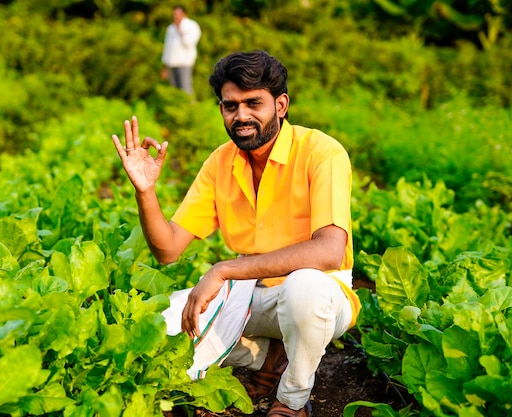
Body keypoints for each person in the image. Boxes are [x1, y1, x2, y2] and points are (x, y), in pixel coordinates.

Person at [112, 51, 361, 417]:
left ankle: (292, 399)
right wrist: (145, 191)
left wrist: (224, 270)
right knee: (160, 325)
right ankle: (267, 358)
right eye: (230, 105)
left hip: (319, 295)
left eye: (253, 103)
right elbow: (167, 250)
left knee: (303, 289)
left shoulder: (321, 152)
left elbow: (328, 252)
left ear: (280, 104)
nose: (241, 115)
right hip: (252, 295)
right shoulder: (220, 162)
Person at [161, 5, 201, 96]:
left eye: (179, 14)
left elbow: (189, 43)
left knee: (185, 89)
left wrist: (180, 28)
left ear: (184, 14)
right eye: (174, 14)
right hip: (171, 64)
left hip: (184, 63)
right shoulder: (171, 28)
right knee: (174, 91)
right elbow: (167, 48)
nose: (176, 16)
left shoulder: (191, 26)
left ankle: (190, 108)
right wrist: (165, 66)